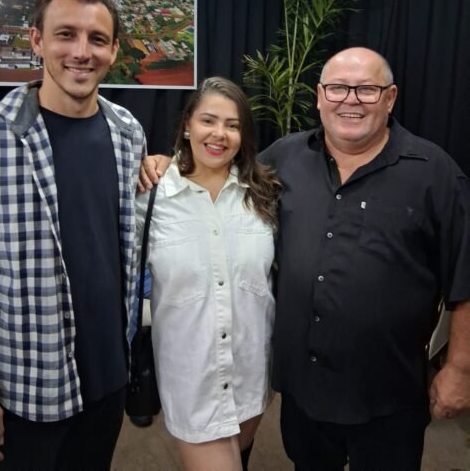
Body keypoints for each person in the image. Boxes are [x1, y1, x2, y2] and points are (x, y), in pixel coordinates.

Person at [143, 48, 470, 471]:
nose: (350, 100)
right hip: (304, 393)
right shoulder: (283, 160)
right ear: (319, 96)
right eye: (337, 88)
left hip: (388, 394)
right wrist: (167, 165)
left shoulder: (434, 173)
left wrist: (460, 368)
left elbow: (465, 277)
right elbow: (215, 175)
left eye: (366, 90)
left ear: (390, 98)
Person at [0, 0, 146, 470]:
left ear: (113, 50)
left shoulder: (128, 133)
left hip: (108, 379)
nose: (81, 52)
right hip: (26, 390)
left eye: (97, 39)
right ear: (36, 40)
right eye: (65, 34)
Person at [136, 77, 280, 471]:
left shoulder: (263, 193)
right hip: (192, 379)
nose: (219, 134)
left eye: (233, 125)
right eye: (208, 121)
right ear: (187, 124)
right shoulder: (151, 195)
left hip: (251, 373)